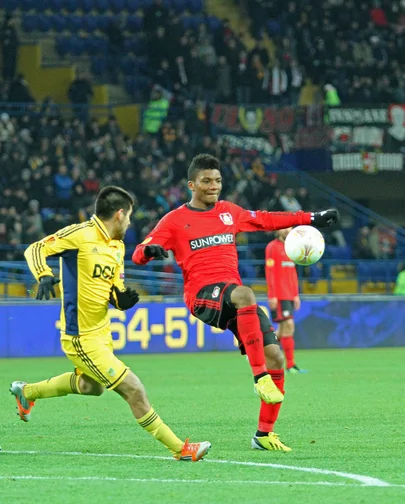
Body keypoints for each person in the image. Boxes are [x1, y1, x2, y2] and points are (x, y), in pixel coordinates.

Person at [132, 154, 339, 452]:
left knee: (276, 357)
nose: (213, 186)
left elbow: (267, 219)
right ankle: (259, 377)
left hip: (232, 299)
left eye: (217, 180)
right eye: (206, 181)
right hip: (202, 296)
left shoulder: (230, 212)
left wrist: (312, 218)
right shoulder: (175, 220)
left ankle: (264, 434)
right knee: (246, 294)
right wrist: (149, 250)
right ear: (192, 185)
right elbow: (139, 252)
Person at [13, 186, 210, 462]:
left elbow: (113, 289)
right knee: (134, 388)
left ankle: (27, 391)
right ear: (119, 215)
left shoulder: (117, 247)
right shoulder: (79, 235)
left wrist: (121, 300)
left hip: (102, 331)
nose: (129, 223)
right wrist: (44, 274)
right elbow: (35, 249)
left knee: (90, 387)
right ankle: (181, 449)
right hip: (80, 336)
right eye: (128, 217)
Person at [265, 228, 306, 374]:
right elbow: (270, 272)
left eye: (290, 228)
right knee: (288, 325)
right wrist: (272, 295)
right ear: (277, 230)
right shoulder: (272, 247)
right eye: (284, 228)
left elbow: (292, 272)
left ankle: (259, 353)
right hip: (279, 295)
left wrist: (296, 294)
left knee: (283, 330)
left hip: (289, 294)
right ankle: (290, 365)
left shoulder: (292, 247)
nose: (287, 230)